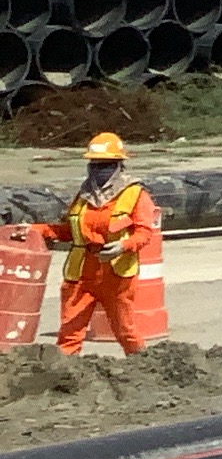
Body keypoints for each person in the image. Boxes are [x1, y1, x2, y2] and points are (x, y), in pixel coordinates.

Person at [42, 132, 161, 357]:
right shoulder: (84, 195)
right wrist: (37, 231)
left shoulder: (135, 193)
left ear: (118, 166)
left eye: (106, 165)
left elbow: (144, 232)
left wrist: (122, 246)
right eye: (94, 165)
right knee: (70, 331)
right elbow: (70, 231)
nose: (99, 171)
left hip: (116, 273)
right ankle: (65, 375)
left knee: (125, 330)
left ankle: (143, 367)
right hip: (81, 271)